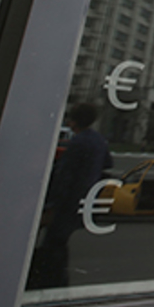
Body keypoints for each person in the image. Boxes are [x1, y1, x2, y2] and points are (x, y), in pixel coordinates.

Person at [28, 102, 112, 288]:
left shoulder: (78, 143)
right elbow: (108, 163)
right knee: (60, 243)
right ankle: (56, 281)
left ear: (74, 121)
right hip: (83, 201)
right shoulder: (98, 141)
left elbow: (64, 177)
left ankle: (50, 282)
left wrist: (51, 206)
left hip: (67, 203)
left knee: (53, 244)